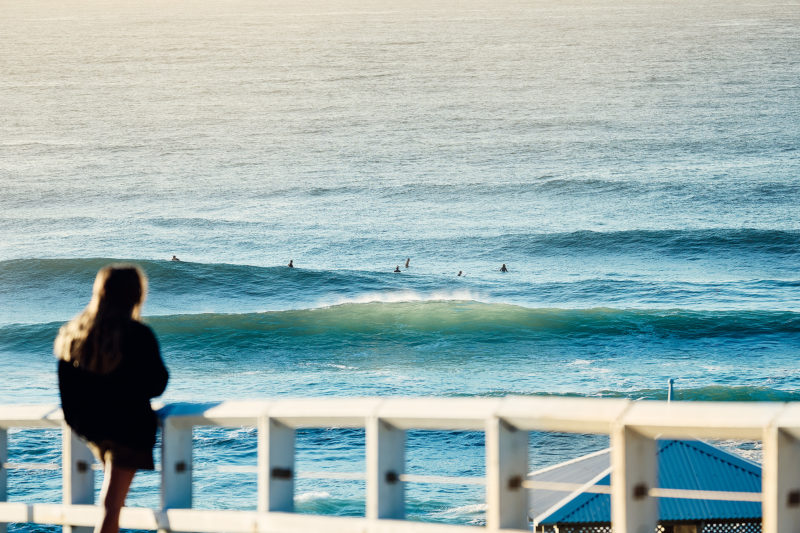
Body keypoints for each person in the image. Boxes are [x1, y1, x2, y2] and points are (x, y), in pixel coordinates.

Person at [54, 265, 168, 533]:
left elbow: (67, 390)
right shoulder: (136, 333)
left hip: (89, 427)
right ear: (136, 295)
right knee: (112, 504)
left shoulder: (73, 335)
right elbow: (157, 383)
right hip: (128, 429)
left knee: (115, 501)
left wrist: (84, 422)